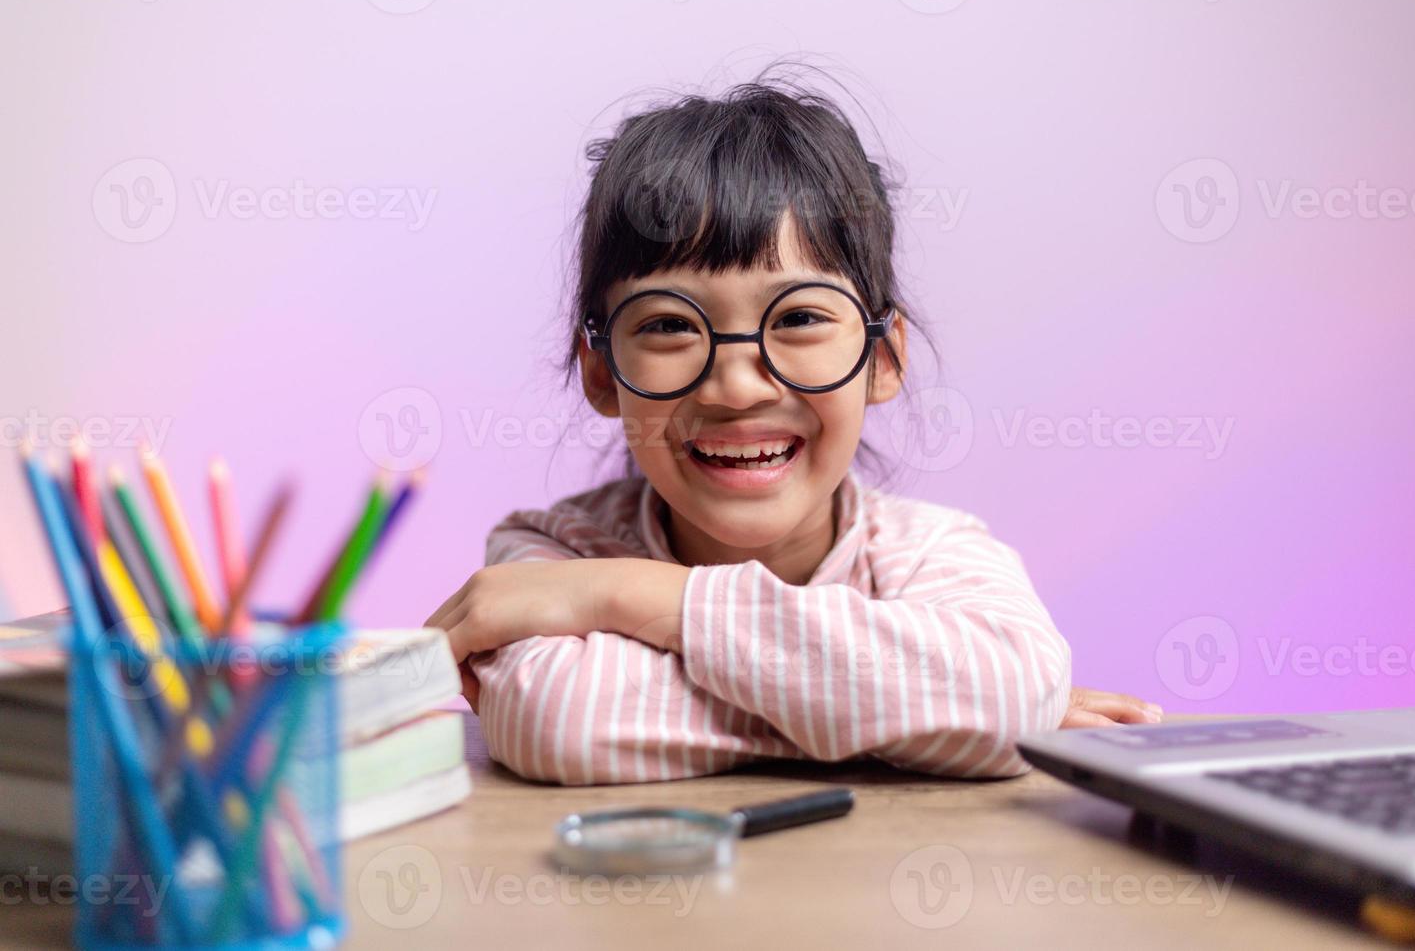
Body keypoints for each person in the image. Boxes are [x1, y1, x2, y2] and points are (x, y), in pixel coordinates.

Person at [425, 68, 1162, 785]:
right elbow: (560, 723)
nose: (738, 386)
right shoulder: (553, 553)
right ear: (599, 371)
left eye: (801, 317)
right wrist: (933, 722)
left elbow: (1005, 694)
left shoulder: (933, 551)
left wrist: (632, 596)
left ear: (882, 357)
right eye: (671, 324)